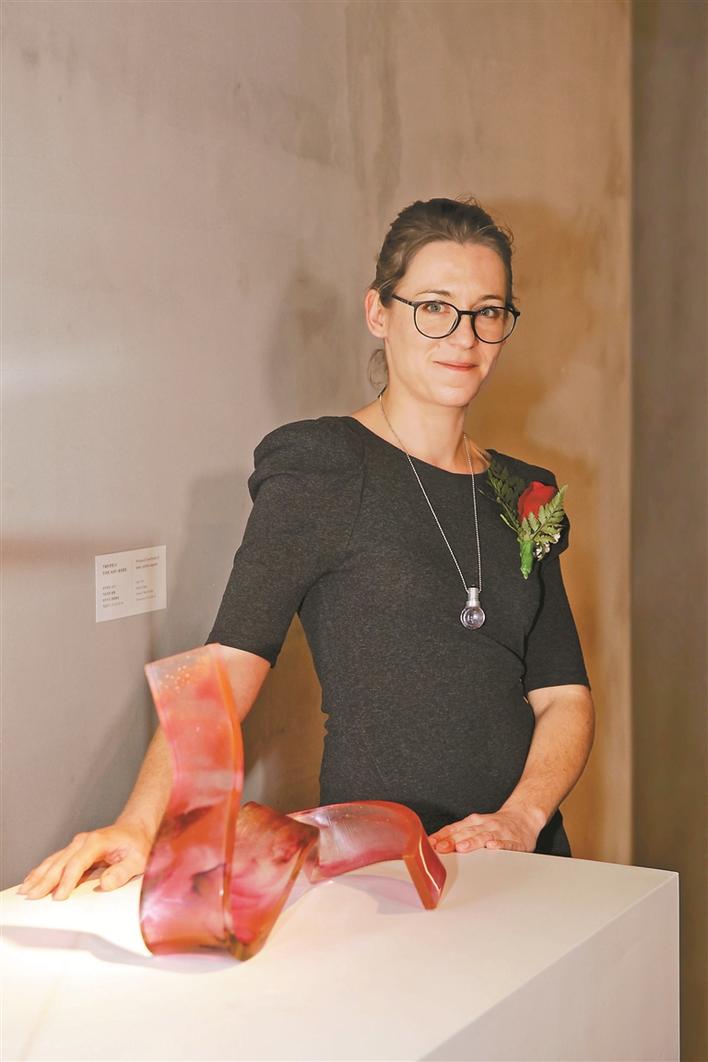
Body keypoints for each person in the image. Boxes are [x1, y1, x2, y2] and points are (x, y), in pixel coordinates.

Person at [19, 196, 594, 901]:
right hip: (382, 871)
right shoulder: (323, 466)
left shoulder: (525, 491)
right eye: (434, 307)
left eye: (488, 312)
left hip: (524, 860)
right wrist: (140, 823)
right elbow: (226, 665)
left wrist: (522, 818)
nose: (463, 336)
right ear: (379, 312)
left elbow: (564, 695)